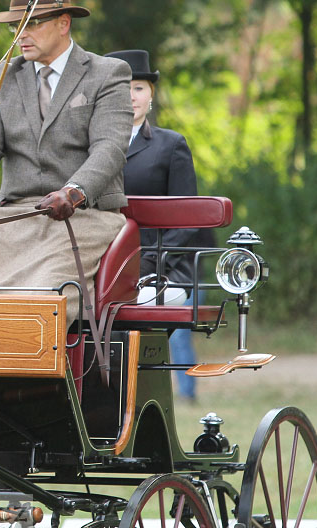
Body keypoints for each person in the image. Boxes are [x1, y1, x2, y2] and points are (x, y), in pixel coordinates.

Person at [0, 0, 133, 329]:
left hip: (82, 218)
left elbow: (109, 149)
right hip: (11, 219)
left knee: (40, 303)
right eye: (17, 25)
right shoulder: (3, 75)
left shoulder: (107, 74)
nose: (21, 35)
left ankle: (40, 382)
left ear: (64, 23)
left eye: (32, 23)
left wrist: (73, 193)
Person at [107, 48, 200, 401]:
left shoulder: (169, 146)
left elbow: (185, 220)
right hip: (96, 264)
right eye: (121, 88)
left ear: (151, 95)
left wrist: (150, 264)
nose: (131, 96)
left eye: (139, 88)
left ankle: (134, 397)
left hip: (157, 270)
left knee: (137, 303)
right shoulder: (89, 147)